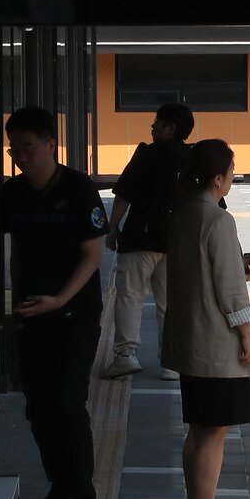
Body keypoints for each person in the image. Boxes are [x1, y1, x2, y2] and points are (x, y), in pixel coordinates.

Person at [0, 105, 108, 499]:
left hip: (74, 313)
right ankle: (59, 486)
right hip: (29, 312)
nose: (22, 155)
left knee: (66, 404)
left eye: (29, 146)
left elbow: (92, 256)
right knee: (38, 408)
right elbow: (11, 250)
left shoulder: (79, 189)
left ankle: (78, 497)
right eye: (14, 148)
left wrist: (59, 299)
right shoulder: (14, 192)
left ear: (50, 144)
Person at [161, 139, 250, 499]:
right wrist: (247, 338)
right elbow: (229, 291)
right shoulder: (219, 220)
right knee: (213, 431)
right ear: (218, 177)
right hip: (216, 343)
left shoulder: (184, 213)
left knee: (198, 427)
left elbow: (204, 274)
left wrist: (243, 270)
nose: (233, 177)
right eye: (231, 171)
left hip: (189, 338)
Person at [103, 102, 195, 382]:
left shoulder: (147, 154)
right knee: (170, 303)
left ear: (170, 127)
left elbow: (124, 193)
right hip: (176, 243)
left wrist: (112, 227)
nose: (152, 126)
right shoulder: (191, 158)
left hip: (140, 238)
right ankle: (171, 363)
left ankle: (125, 356)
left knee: (130, 296)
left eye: (156, 121)